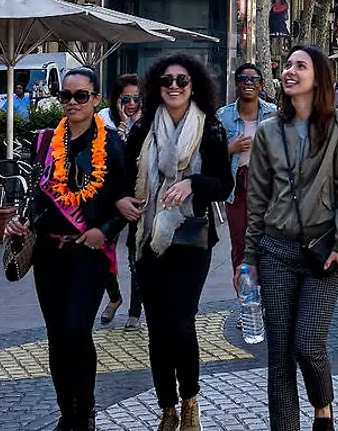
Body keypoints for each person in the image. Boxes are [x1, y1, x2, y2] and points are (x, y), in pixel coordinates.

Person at [5, 67, 131, 431]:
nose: (72, 102)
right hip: (48, 253)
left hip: (87, 254)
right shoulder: (45, 141)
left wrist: (104, 231)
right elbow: (33, 196)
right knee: (57, 335)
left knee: (77, 330)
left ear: (96, 100)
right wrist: (19, 222)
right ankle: (67, 413)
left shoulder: (111, 145)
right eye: (66, 95)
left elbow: (124, 203)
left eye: (81, 96)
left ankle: (86, 410)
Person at [242, 46, 338, 431]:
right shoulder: (267, 132)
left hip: (323, 251)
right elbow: (257, 200)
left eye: (300, 66)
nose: (289, 71)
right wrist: (249, 259)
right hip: (275, 249)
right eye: (288, 66)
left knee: (308, 344)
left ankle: (322, 406)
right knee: (279, 356)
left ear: (318, 76)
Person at [122, 54, 233, 431]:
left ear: (194, 85)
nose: (173, 86)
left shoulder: (210, 128)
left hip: (191, 240)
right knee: (157, 328)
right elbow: (121, 177)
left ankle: (190, 402)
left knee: (182, 324)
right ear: (157, 85)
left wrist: (193, 183)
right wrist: (124, 200)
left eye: (181, 81)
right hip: (148, 241)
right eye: (167, 80)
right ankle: (166, 408)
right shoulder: (143, 129)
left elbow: (224, 184)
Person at [219, 63, 277, 304]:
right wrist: (230, 148)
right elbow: (208, 155)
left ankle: (267, 299)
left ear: (262, 85)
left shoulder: (274, 114)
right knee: (240, 246)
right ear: (237, 83)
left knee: (268, 243)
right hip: (238, 188)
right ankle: (248, 302)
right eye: (243, 78)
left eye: (254, 79)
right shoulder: (223, 116)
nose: (249, 83)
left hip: (267, 188)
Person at [100, 74, 145, 329]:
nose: (131, 103)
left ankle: (135, 311)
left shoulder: (149, 123)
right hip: (111, 199)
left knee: (135, 256)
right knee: (102, 251)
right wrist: (122, 128)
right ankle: (114, 298)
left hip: (139, 198)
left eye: (136, 98)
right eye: (125, 98)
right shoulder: (104, 122)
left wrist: (132, 127)